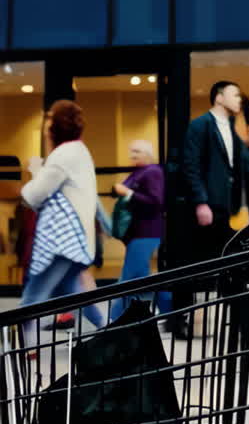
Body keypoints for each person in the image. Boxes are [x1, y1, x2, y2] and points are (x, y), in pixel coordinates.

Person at [171, 82, 249, 338]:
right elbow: (191, 165)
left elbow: (248, 167)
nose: (240, 99)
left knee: (231, 264)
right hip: (208, 210)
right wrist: (201, 202)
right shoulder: (201, 125)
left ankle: (248, 327)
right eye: (235, 94)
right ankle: (179, 319)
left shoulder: (230, 128)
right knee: (196, 265)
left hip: (225, 210)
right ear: (219, 98)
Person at [19, 100, 104, 335]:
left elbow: (32, 195)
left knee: (32, 298)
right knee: (73, 291)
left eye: (48, 124)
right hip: (78, 242)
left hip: (62, 242)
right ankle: (110, 332)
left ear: (53, 128)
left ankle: (23, 353)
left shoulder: (63, 155)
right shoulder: (79, 151)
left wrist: (36, 169)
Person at [109, 140, 167, 322]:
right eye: (131, 151)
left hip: (147, 231)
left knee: (127, 280)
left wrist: (127, 193)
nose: (132, 155)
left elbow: (156, 201)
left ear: (148, 154)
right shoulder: (140, 172)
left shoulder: (153, 172)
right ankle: (171, 311)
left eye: (137, 151)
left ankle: (113, 320)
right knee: (143, 278)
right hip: (138, 232)